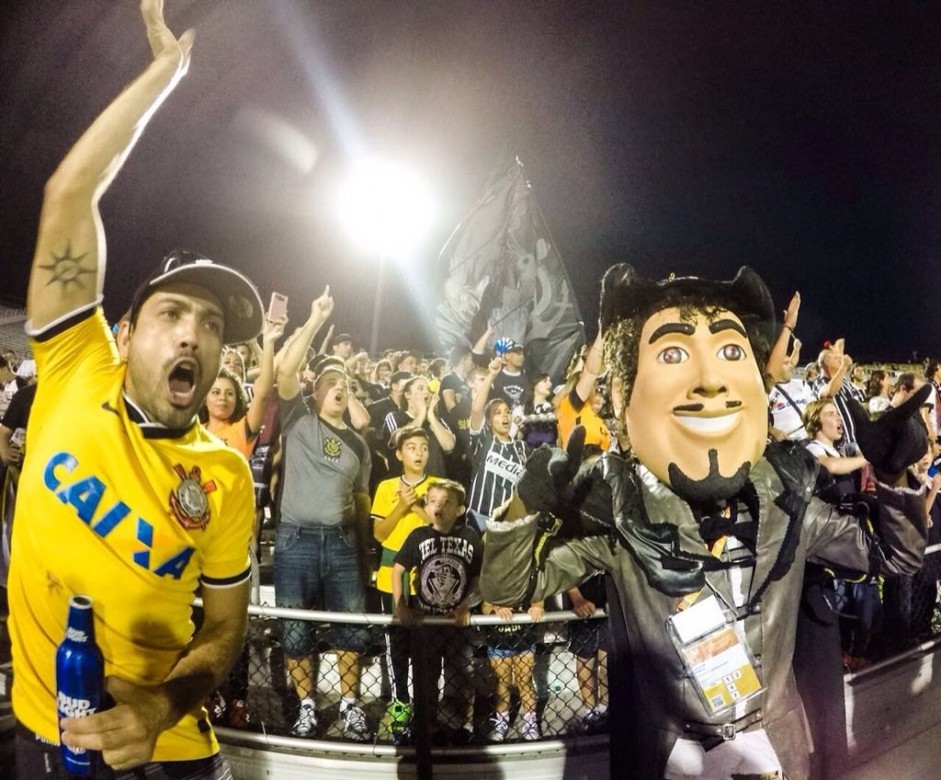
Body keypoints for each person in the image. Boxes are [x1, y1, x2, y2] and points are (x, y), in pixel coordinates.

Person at [481, 264, 929, 780]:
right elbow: (507, 583)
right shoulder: (625, 518)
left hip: (774, 751)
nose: (711, 382)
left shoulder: (788, 503)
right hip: (675, 755)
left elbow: (897, 557)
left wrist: (892, 475)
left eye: (730, 352)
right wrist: (524, 506)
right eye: (672, 355)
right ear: (626, 397)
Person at [8, 3, 262, 776]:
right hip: (40, 730)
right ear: (124, 333)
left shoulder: (224, 479)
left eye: (211, 325)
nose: (192, 333)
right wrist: (163, 77)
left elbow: (223, 630)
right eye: (172, 313)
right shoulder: (74, 364)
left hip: (168, 751)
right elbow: (69, 194)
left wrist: (162, 706)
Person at [273, 289, 373, 741]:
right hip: (294, 540)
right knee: (295, 628)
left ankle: (350, 705)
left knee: (349, 628)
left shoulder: (359, 445)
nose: (339, 388)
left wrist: (365, 553)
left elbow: (363, 503)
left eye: (345, 384)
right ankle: (308, 706)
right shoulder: (297, 417)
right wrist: (313, 319)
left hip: (342, 544)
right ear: (314, 392)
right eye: (331, 383)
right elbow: (285, 370)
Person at [392, 480, 483, 744]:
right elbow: (398, 569)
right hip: (427, 622)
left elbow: (478, 579)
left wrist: (467, 604)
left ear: (459, 509)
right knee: (426, 678)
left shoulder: (469, 537)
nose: (438, 507)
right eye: (432, 501)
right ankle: (427, 726)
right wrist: (401, 606)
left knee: (459, 678)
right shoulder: (419, 536)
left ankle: (457, 727)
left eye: (446, 502)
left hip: (456, 624)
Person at [371, 427, 438, 744]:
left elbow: (441, 525)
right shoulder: (385, 488)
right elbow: (379, 534)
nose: (418, 453)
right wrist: (400, 506)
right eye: (411, 447)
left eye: (423, 447)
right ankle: (401, 703)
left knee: (427, 646)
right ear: (399, 454)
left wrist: (417, 507)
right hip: (391, 577)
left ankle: (428, 707)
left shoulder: (437, 486)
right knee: (396, 644)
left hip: (427, 578)